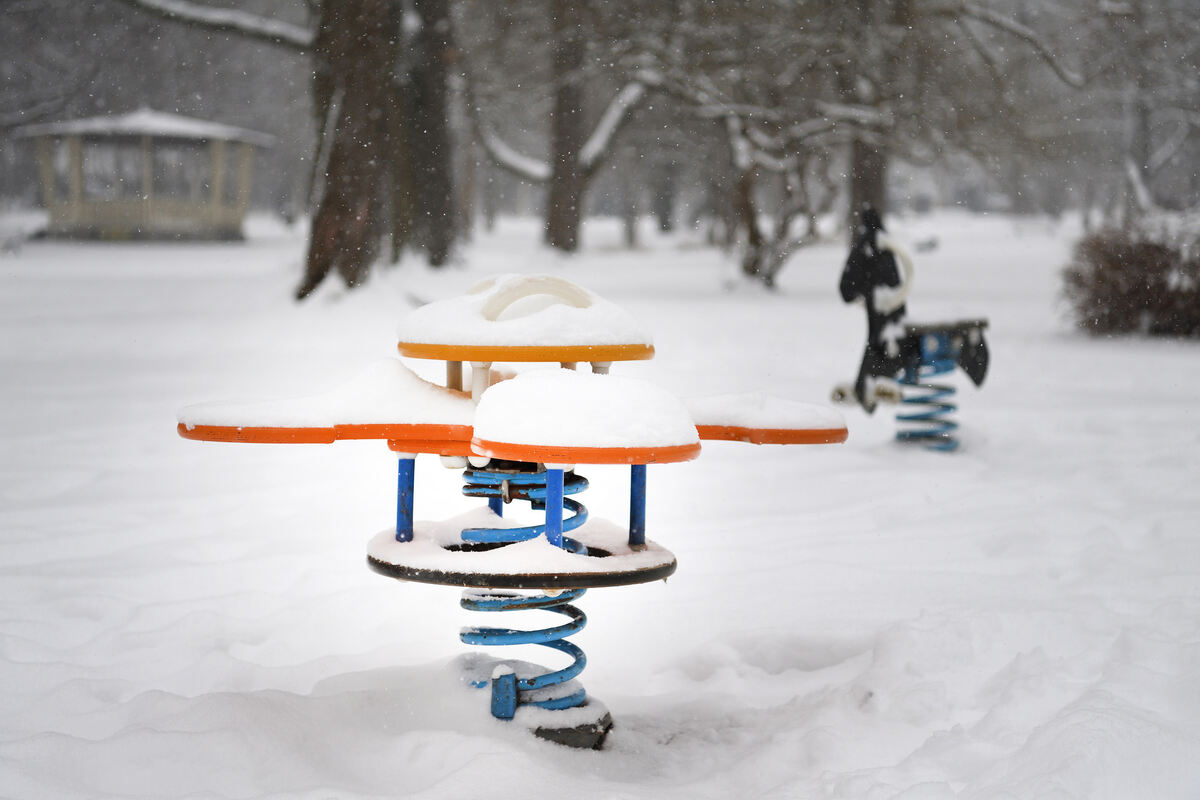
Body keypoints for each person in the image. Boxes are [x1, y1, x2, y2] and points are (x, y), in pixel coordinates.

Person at [837, 206, 917, 413]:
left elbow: (847, 287)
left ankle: (872, 383)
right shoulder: (880, 245)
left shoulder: (868, 245)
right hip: (886, 301)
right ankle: (872, 382)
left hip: (882, 302)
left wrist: (861, 293)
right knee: (882, 338)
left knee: (879, 340)